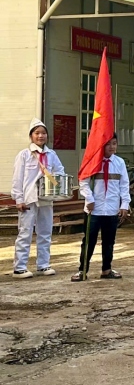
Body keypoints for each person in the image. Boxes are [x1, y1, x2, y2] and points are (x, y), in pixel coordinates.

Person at [12, 118, 66, 278]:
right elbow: (17, 178)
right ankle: (19, 267)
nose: (40, 136)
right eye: (37, 133)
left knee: (45, 232)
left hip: (46, 198)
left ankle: (43, 265)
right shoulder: (24, 155)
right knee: (25, 232)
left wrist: (57, 183)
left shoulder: (51, 155)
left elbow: (60, 171)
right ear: (31, 136)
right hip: (28, 199)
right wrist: (18, 199)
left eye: (43, 133)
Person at [72, 135, 130, 280]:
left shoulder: (119, 162)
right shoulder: (92, 162)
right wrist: (89, 198)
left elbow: (124, 185)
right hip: (94, 209)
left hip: (111, 208)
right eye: (108, 144)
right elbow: (83, 182)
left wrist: (124, 204)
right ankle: (82, 270)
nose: (111, 147)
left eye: (114, 143)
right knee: (89, 241)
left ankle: (106, 269)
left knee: (109, 241)